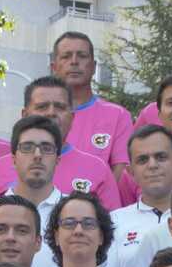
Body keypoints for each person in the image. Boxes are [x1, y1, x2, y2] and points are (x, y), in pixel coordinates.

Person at [52, 28, 134, 176]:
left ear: (94, 67)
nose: (74, 62)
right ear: (54, 67)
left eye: (82, 56)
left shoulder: (118, 116)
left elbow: (121, 172)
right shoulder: (41, 114)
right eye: (66, 56)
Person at [107, 120, 172, 267]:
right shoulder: (113, 222)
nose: (152, 165)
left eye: (161, 157)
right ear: (131, 172)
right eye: (142, 160)